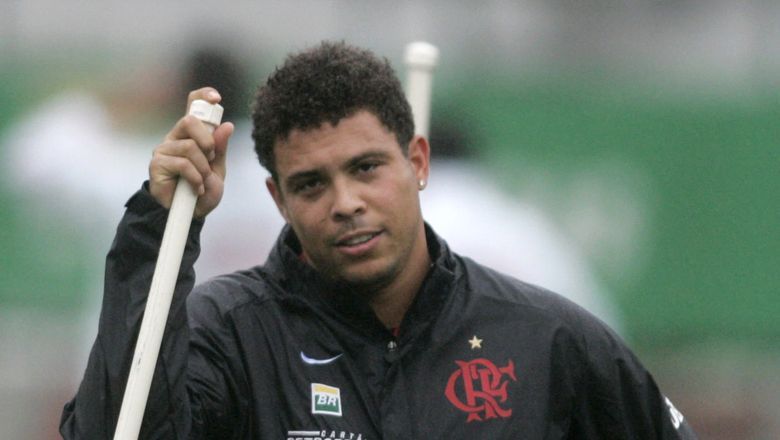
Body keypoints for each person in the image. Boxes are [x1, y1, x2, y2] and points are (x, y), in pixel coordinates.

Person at [60, 41, 696, 439]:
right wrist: (154, 230)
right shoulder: (229, 333)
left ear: (418, 161)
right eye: (311, 184)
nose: (346, 204)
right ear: (280, 201)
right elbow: (117, 431)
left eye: (366, 168)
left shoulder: (547, 336)